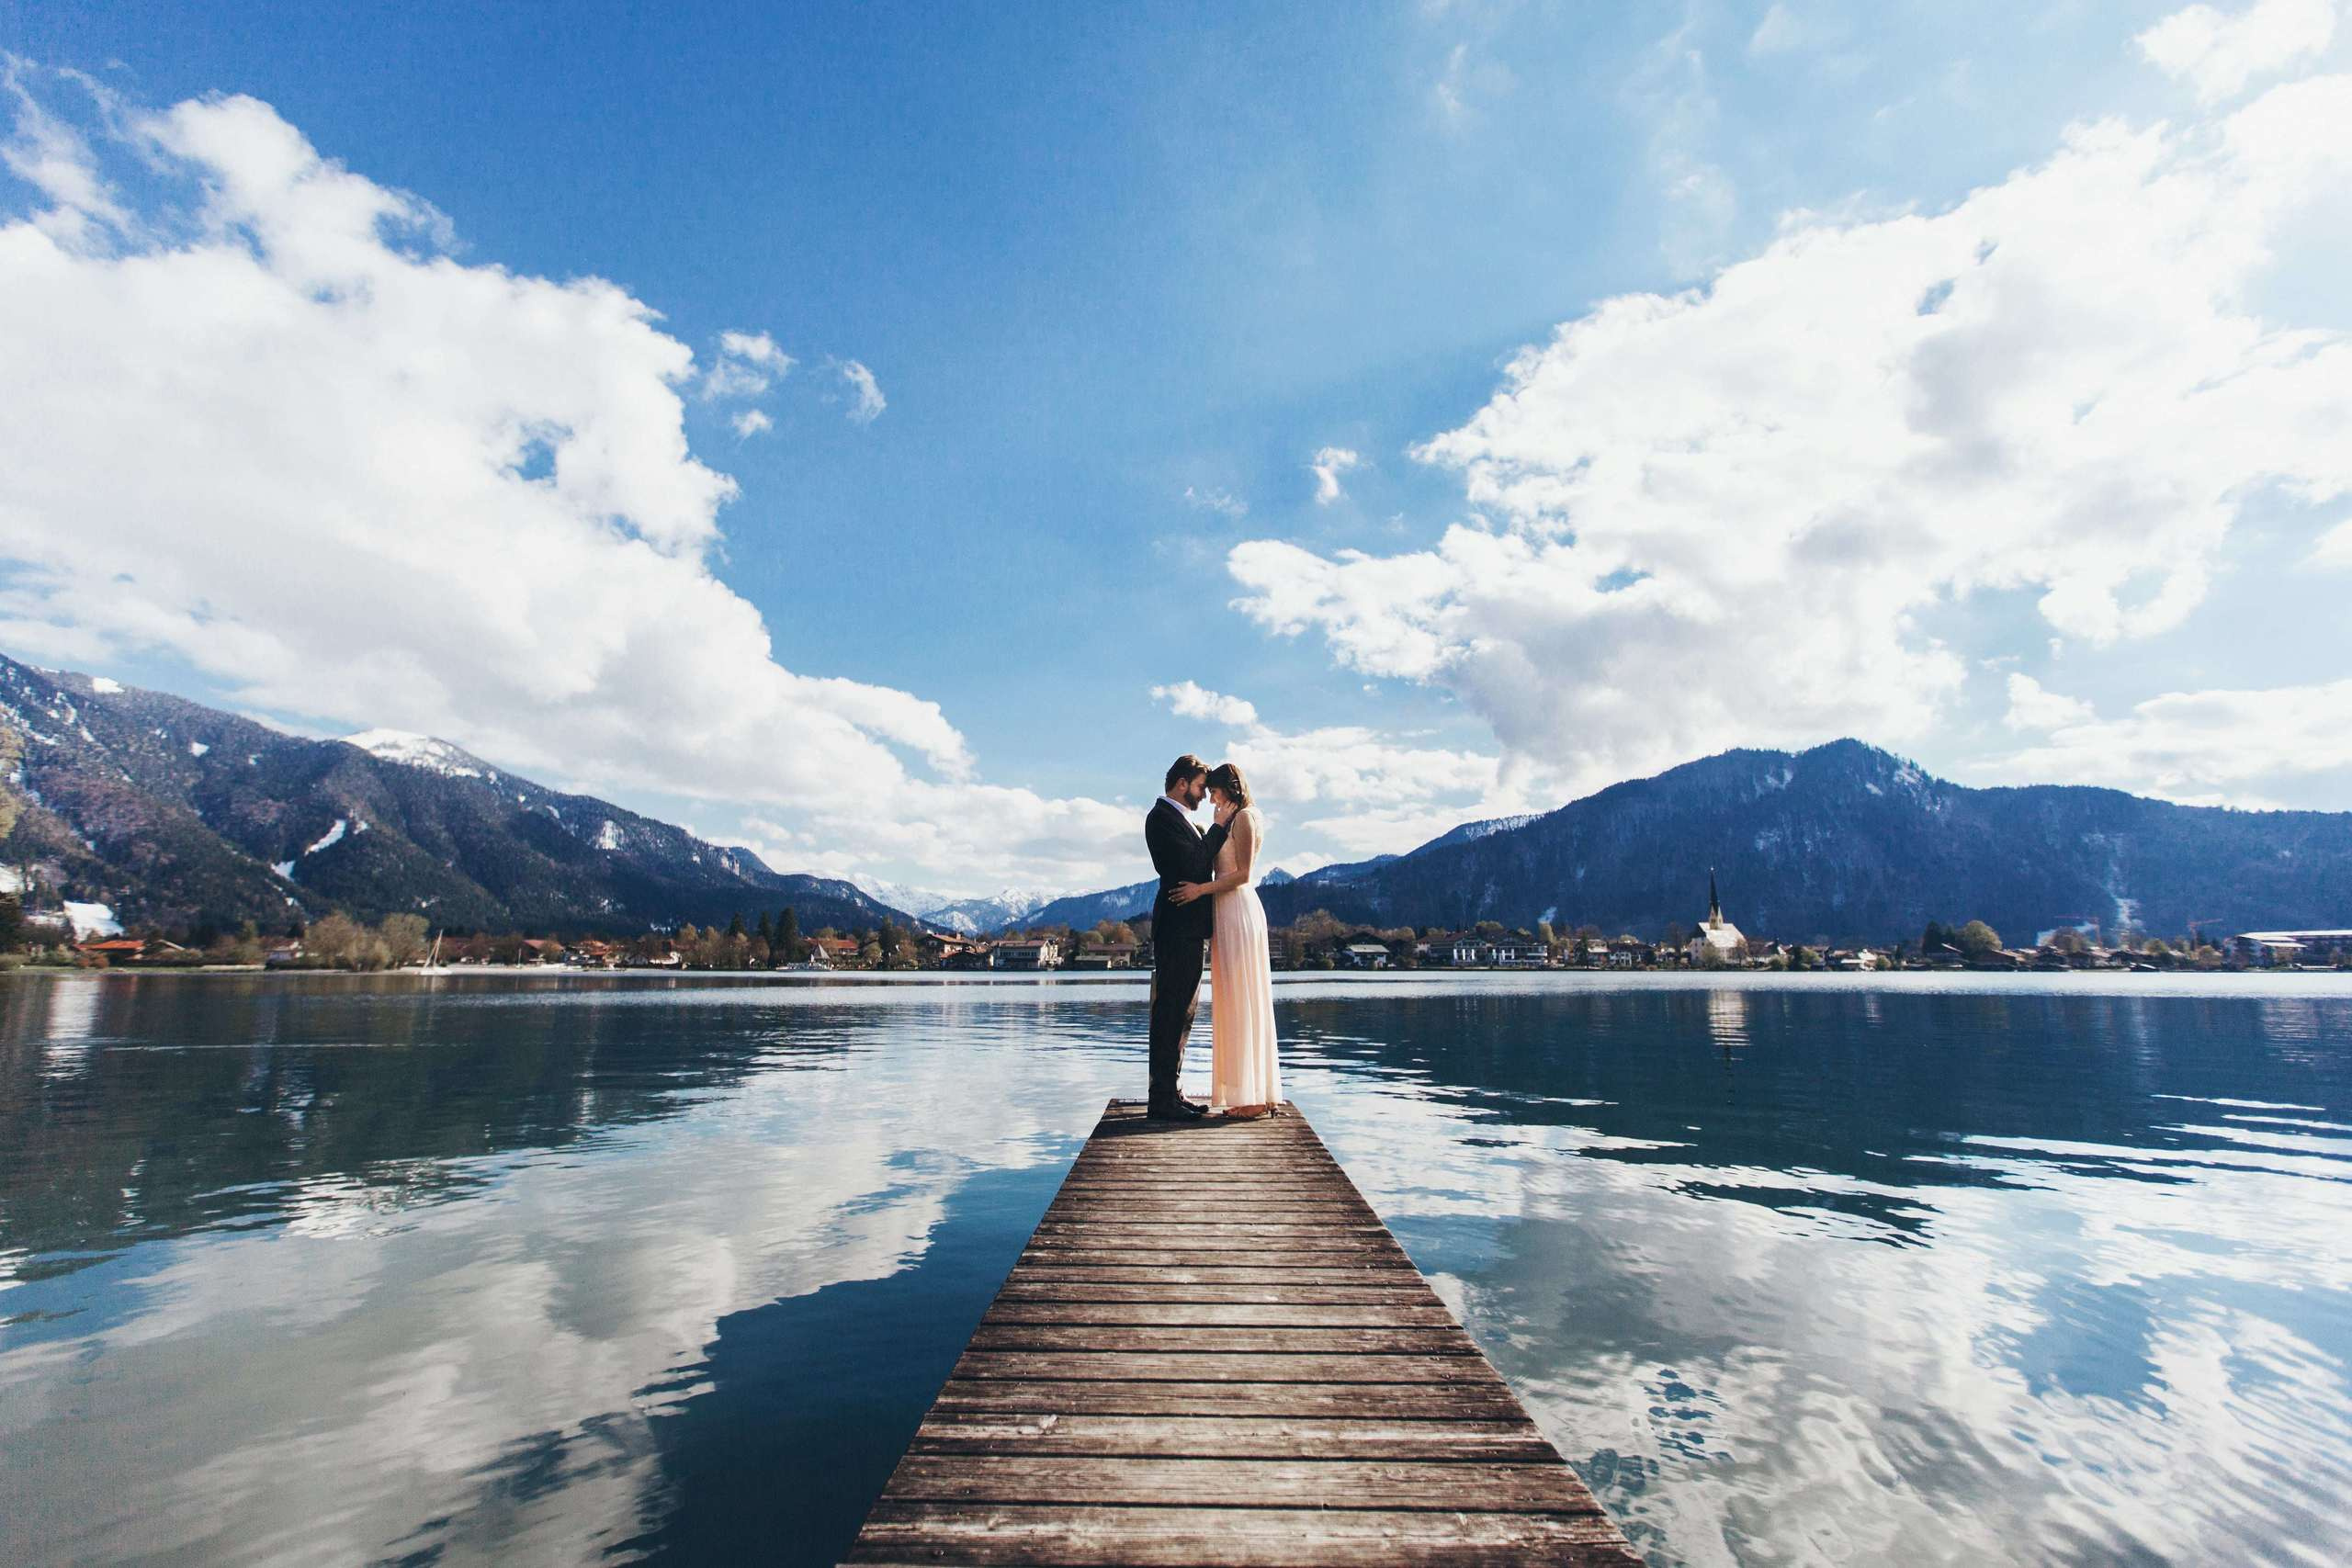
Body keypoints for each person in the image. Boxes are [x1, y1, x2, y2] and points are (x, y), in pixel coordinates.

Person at [1175, 761, 1281, 1117]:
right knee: (1232, 997)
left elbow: (1243, 874)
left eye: (1214, 791)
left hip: (1238, 909)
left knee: (1243, 995)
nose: (1210, 797)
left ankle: (1252, 1098)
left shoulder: (1247, 818)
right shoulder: (1229, 820)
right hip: (1225, 911)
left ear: (1229, 788)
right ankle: (1245, 1093)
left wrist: (1199, 890)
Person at [1142, 754, 1228, 1120]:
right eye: (1199, 787)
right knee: (1171, 1013)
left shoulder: (1180, 820)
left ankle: (1171, 1094)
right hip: (1176, 928)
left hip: (1188, 929)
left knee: (1183, 1014)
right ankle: (1162, 1100)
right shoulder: (1161, 818)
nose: (1202, 794)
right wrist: (1220, 828)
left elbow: (1198, 865)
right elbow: (1194, 864)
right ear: (1181, 784)